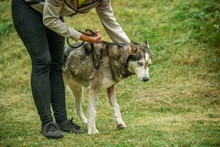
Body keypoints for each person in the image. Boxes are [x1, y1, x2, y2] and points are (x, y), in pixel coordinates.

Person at [11, 0, 130, 139]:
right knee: (42, 61)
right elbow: (49, 19)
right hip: (28, 7)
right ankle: (47, 123)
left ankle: (62, 120)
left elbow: (111, 24)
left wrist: (132, 50)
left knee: (57, 62)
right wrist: (82, 37)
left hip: (53, 11)